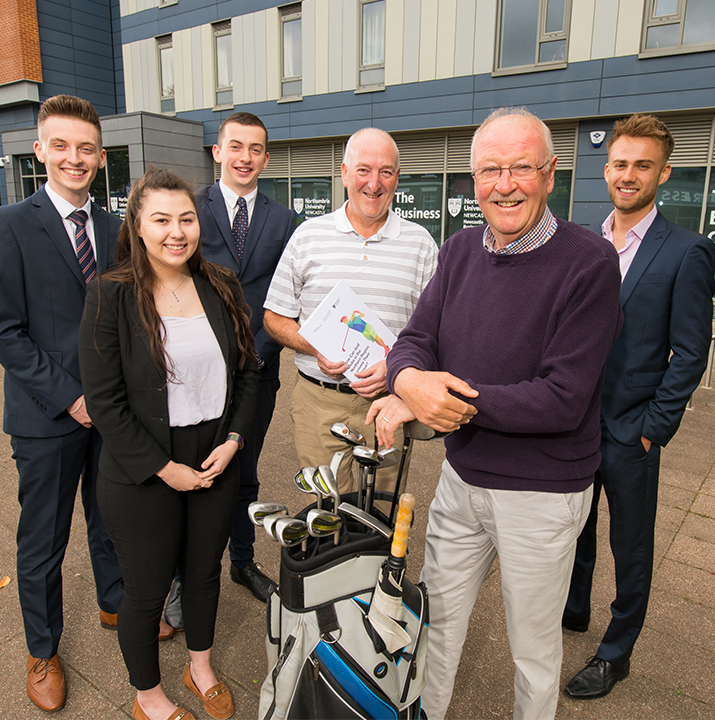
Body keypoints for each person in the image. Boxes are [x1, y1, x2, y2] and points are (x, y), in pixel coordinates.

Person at [366, 107, 623, 720]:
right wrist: (407, 380)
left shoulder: (589, 262)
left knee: (531, 650)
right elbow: (414, 339)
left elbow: (563, 396)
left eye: (520, 168)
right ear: (473, 178)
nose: (504, 184)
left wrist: (440, 400)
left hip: (541, 494)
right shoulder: (457, 251)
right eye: (489, 170)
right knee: (436, 627)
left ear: (551, 173)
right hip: (461, 482)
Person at [78, 168, 260, 720]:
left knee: (205, 572)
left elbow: (250, 374)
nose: (176, 231)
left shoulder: (221, 285)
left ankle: (199, 667)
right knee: (147, 589)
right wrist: (164, 468)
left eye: (186, 218)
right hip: (142, 468)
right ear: (137, 225)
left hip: (214, 457)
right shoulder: (110, 294)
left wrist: (234, 440)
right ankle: (149, 698)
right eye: (161, 219)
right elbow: (104, 402)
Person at [563, 114, 715, 699]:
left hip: (632, 431)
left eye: (643, 165)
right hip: (572, 423)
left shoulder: (687, 251)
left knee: (631, 546)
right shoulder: (580, 240)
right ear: (606, 169)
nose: (629, 175)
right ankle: (574, 609)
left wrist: (655, 428)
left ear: (664, 172)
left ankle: (616, 652)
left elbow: (691, 352)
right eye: (620, 164)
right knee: (574, 528)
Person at [0, 94, 135, 713]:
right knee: (42, 542)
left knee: (109, 519)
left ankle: (112, 602)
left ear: (101, 158)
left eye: (86, 148)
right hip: (48, 418)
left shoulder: (114, 229)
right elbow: (4, 331)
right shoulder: (8, 225)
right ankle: (41, 649)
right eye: (61, 146)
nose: (73, 158)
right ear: (39, 151)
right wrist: (72, 397)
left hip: (111, 415)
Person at [263, 127, 438, 500]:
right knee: (328, 512)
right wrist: (311, 345)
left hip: (389, 401)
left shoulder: (421, 244)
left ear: (397, 177)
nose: (374, 184)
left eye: (386, 172)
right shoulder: (308, 236)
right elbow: (274, 318)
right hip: (320, 403)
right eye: (363, 170)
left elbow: (438, 330)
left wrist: (397, 367)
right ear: (344, 173)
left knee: (380, 510)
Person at [191, 111, 296, 605]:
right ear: (218, 151)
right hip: (196, 373)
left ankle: (242, 561)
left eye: (255, 149)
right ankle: (190, 568)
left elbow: (289, 299)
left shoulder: (283, 221)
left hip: (260, 367)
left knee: (246, 470)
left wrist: (260, 352)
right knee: (193, 467)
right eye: (236, 146)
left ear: (266, 159)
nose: (245, 157)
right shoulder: (190, 209)